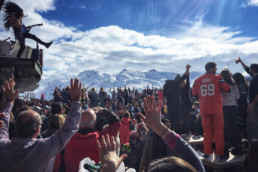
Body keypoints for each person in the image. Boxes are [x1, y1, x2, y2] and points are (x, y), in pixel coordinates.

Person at [94, 96, 205, 172]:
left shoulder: (149, 134)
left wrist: (108, 169)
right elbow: (193, 160)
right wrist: (160, 127)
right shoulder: (150, 136)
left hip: (128, 143)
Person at [0, 78, 82, 172]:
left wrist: (8, 102)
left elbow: (2, 125)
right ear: (38, 130)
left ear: (15, 127)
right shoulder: (44, 148)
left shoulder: (2, 147)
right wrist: (76, 100)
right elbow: (69, 128)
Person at [53, 107, 121, 172]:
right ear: (94, 123)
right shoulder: (102, 138)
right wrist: (103, 111)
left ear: (79, 123)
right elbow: (117, 123)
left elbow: (56, 165)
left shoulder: (66, 139)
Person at [192, 62, 230, 160]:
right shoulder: (218, 78)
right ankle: (219, 154)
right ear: (213, 68)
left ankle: (207, 153)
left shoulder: (197, 80)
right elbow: (228, 89)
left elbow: (194, 93)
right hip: (216, 108)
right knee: (218, 131)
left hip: (204, 109)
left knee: (207, 132)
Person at [163, 64, 191, 133]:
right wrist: (187, 69)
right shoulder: (176, 83)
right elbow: (184, 77)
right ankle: (178, 135)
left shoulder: (167, 84)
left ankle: (172, 134)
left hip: (170, 105)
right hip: (177, 106)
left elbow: (164, 94)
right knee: (178, 121)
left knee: (172, 121)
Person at [220, 69, 241, 156]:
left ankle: (226, 147)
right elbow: (237, 96)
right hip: (233, 107)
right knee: (234, 127)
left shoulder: (221, 85)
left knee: (225, 127)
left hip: (223, 107)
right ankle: (236, 146)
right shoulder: (234, 84)